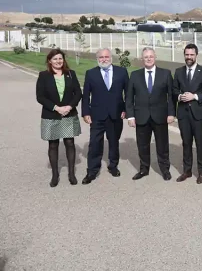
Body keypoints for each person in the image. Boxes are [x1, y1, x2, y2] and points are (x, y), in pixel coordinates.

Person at [125, 47, 176, 181]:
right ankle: (144, 169)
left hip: (160, 116)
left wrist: (171, 113)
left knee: (162, 145)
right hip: (141, 116)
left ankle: (165, 170)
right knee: (142, 145)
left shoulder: (165, 74)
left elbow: (171, 96)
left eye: (151, 56)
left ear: (155, 57)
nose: (148, 59)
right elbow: (129, 97)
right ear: (142, 59)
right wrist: (130, 116)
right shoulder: (135, 75)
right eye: (146, 57)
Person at [80, 48, 129, 184]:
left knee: (114, 142)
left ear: (111, 58)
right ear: (97, 59)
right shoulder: (91, 73)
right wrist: (85, 112)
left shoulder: (122, 72)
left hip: (116, 114)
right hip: (97, 115)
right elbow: (85, 96)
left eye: (106, 57)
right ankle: (92, 171)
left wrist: (126, 110)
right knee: (95, 143)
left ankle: (113, 166)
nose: (104, 59)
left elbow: (128, 93)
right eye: (101, 57)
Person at [36, 49, 82, 187]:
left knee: (69, 143)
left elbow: (78, 93)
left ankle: (71, 174)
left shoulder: (71, 74)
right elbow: (40, 97)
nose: (58, 61)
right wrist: (56, 108)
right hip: (51, 114)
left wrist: (69, 107)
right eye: (55, 59)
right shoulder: (43, 75)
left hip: (69, 113)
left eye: (60, 59)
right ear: (50, 61)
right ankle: (55, 175)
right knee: (53, 144)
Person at [173, 44, 202, 184]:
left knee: (200, 143)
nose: (189, 57)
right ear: (184, 55)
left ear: (196, 55)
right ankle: (187, 171)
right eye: (187, 54)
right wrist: (180, 97)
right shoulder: (178, 72)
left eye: (191, 55)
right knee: (186, 143)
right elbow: (174, 90)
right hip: (183, 113)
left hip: (199, 114)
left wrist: (194, 96)